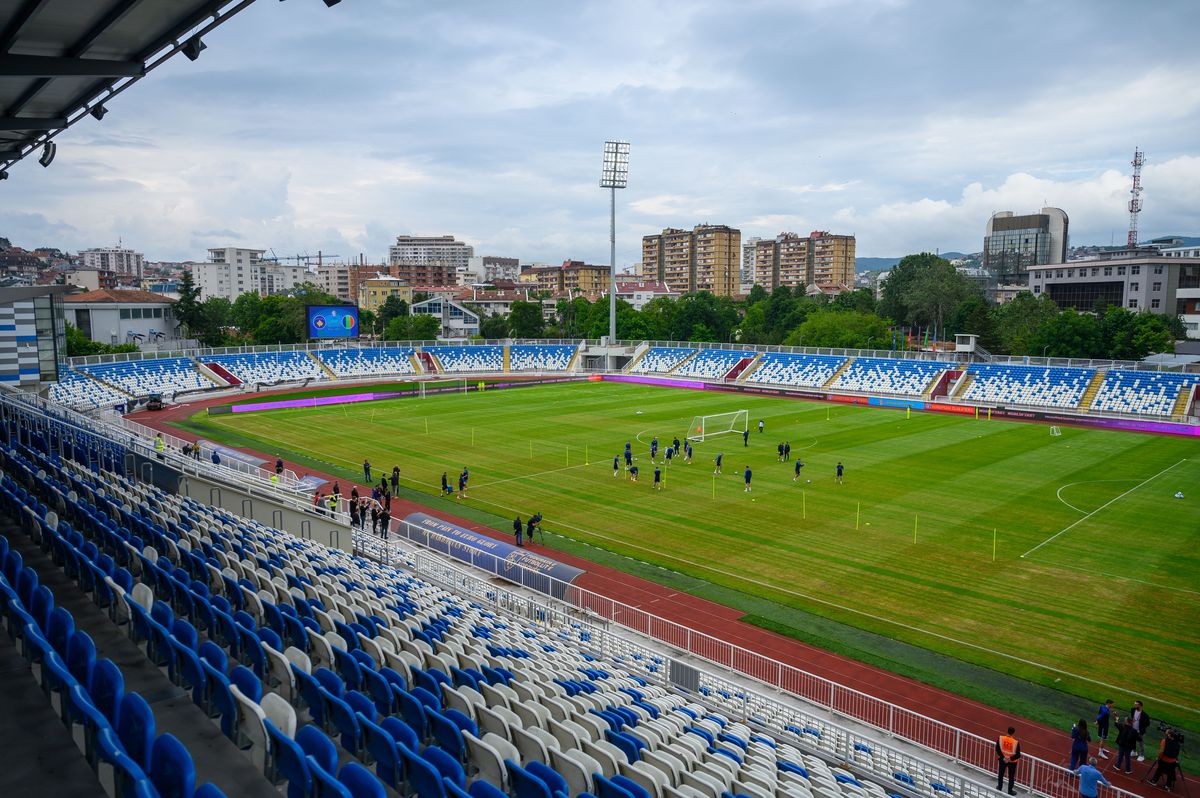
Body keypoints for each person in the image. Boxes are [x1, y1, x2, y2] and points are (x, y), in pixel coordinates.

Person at [996, 726, 1021, 795]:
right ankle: (1010, 791)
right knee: (1011, 777)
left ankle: (999, 787)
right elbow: (1018, 755)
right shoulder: (1016, 742)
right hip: (1012, 762)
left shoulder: (1000, 738)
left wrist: (1003, 757)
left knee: (1001, 774)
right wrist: (1009, 758)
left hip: (1002, 760)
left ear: (1007, 731)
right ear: (1013, 733)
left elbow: (997, 749)